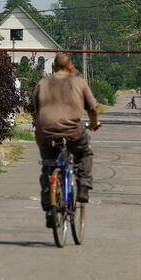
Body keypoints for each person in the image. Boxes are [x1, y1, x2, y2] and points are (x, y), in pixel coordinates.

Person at [32, 53, 100, 228]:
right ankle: (83, 186)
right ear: (71, 68)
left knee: (48, 166)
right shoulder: (78, 82)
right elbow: (92, 108)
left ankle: (50, 209)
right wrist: (94, 123)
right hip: (72, 132)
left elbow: (36, 108)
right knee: (84, 153)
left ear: (53, 67)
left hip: (45, 133)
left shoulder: (42, 83)